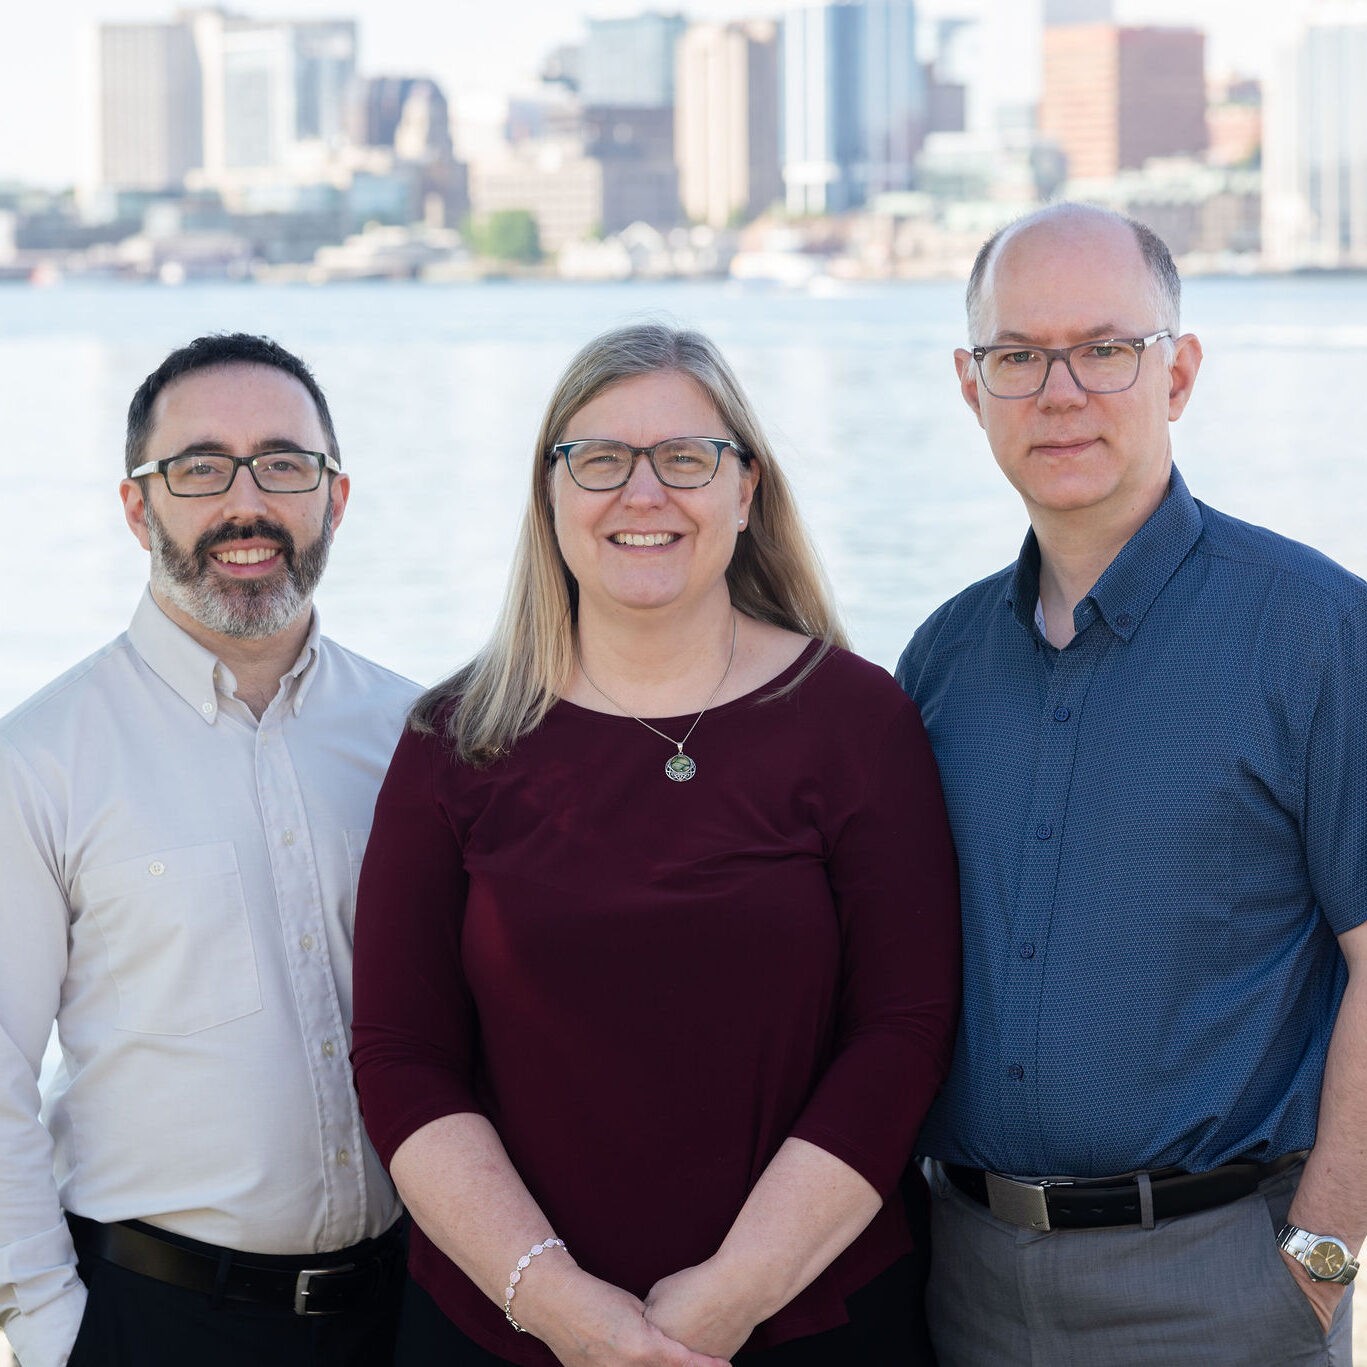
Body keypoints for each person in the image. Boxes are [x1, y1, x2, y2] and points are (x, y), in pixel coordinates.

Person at [351, 322, 961, 1367]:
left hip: (813, 1318)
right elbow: (403, 1058)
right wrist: (556, 1303)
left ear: (745, 489)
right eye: (600, 459)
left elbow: (902, 1029)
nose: (643, 493)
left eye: (685, 457)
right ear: (549, 493)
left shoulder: (857, 720)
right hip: (501, 1329)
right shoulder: (454, 740)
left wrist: (732, 1294)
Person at [896, 202, 1367, 1366]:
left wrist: (1319, 1259)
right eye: (1016, 356)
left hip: (1221, 1290)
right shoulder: (939, 661)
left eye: (1105, 348)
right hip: (963, 1282)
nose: (1059, 392)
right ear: (969, 387)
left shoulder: (1313, 631)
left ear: (1179, 372)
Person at [0, 334, 418, 1367]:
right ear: (137, 506)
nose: (247, 503)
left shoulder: (419, 736)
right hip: (150, 1319)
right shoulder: (39, 760)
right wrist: (53, 1331)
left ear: (335, 497)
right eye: (199, 468)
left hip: (405, 1311)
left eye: (284, 463)